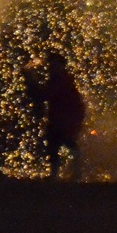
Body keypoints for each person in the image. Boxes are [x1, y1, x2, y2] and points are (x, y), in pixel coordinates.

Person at [26, 49, 86, 179]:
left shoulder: (60, 80)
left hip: (66, 118)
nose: (51, 67)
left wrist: (31, 80)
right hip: (62, 117)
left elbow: (44, 95)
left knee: (61, 142)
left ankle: (68, 172)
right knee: (59, 143)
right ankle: (71, 172)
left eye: (54, 65)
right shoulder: (60, 78)